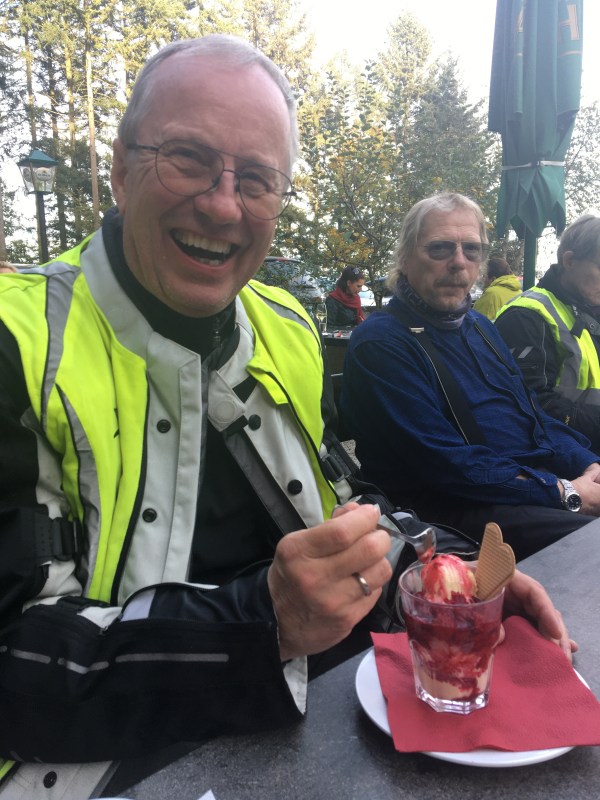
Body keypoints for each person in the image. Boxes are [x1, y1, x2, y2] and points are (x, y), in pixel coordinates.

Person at [0, 43, 574, 794]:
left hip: (319, 720)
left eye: (257, 179)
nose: (223, 205)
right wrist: (264, 623)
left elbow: (344, 504)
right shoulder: (17, 343)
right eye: (187, 158)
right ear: (119, 171)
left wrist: (445, 576)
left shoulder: (284, 326)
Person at [341, 192, 600, 563]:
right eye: (440, 248)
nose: (459, 262)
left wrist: (586, 464)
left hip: (525, 487)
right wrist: (562, 491)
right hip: (448, 511)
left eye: (472, 250)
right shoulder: (382, 342)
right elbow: (445, 465)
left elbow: (534, 417)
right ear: (405, 258)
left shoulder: (480, 326)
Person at [495, 214, 600, 453]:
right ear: (569, 261)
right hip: (564, 460)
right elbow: (533, 405)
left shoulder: (587, 306)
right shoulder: (525, 316)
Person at [472, 255, 521, 319]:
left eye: (484, 276)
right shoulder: (519, 292)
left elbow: (475, 319)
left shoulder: (491, 294)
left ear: (493, 279)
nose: (482, 279)